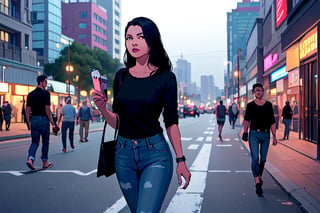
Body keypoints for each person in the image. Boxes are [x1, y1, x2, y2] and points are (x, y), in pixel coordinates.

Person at [93, 17, 191, 213]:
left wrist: (181, 160)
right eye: (129, 38)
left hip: (155, 153)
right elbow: (118, 123)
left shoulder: (166, 78)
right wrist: (103, 108)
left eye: (140, 37)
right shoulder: (121, 76)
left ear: (151, 40)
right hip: (123, 154)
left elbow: (171, 122)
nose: (134, 42)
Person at [242, 83, 278, 196]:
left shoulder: (268, 105)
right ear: (253, 92)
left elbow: (272, 121)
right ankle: (257, 183)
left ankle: (259, 176)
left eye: (260, 90)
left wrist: (274, 136)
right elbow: (246, 120)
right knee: (255, 159)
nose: (258, 92)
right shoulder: (250, 106)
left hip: (266, 134)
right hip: (254, 134)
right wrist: (245, 131)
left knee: (263, 159)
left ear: (263, 92)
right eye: (256, 90)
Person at [25, 75, 58, 170]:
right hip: (43, 120)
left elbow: (27, 110)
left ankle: (30, 159)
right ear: (41, 82)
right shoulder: (46, 94)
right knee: (45, 142)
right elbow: (47, 109)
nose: (46, 83)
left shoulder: (30, 94)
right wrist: (53, 122)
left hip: (34, 119)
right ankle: (45, 162)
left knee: (34, 142)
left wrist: (29, 122)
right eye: (45, 81)